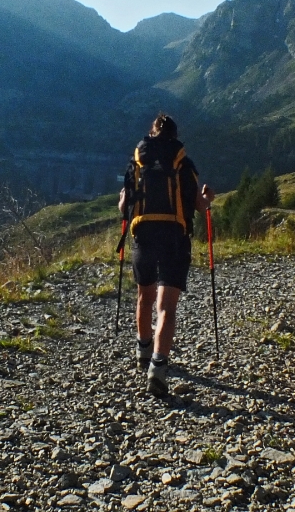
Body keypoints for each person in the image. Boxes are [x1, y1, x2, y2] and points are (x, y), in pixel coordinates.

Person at [119, 113, 214, 398]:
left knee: (143, 297)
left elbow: (124, 206)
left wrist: (124, 197)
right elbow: (199, 206)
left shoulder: (138, 161)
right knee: (166, 307)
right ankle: (158, 369)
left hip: (142, 236)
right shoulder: (183, 163)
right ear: (175, 135)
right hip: (174, 238)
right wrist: (209, 198)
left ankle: (143, 350)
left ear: (152, 132)